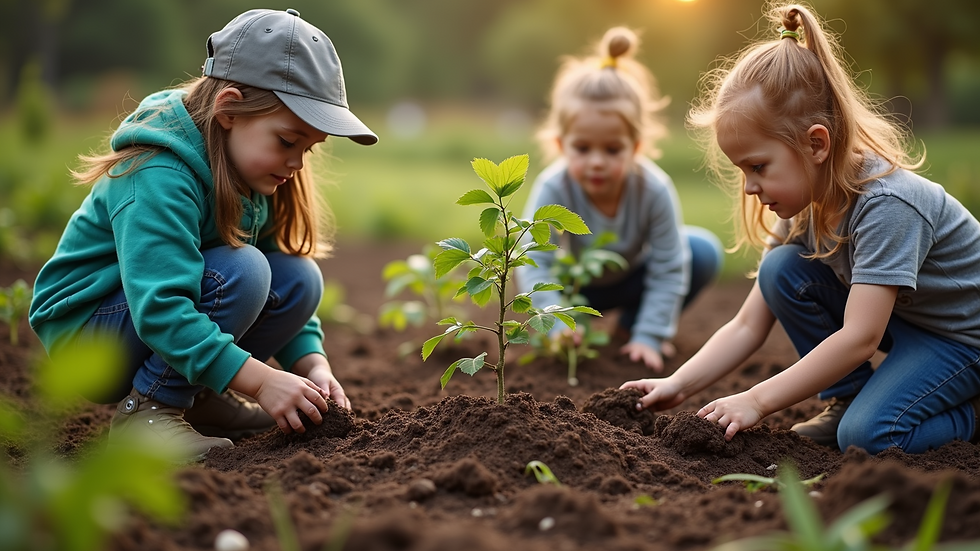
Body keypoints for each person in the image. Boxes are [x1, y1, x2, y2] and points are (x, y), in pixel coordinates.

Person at [622, 4, 980, 454]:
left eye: (758, 166)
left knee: (868, 436)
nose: (750, 187)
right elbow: (747, 324)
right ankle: (847, 398)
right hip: (908, 320)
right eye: (742, 171)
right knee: (780, 269)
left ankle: (970, 414)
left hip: (963, 340)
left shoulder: (888, 205)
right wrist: (679, 384)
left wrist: (756, 399)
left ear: (815, 143)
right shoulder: (803, 206)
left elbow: (860, 338)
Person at [29, 8, 378, 462]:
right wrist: (260, 380)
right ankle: (148, 413)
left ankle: (200, 398)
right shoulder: (157, 171)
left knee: (298, 278)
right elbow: (160, 307)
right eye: (288, 141)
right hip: (90, 336)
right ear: (229, 109)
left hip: (143, 320)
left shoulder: (253, 170)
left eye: (308, 148)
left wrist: (313, 364)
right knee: (244, 270)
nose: (297, 163)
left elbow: (283, 279)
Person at [516, 27, 724, 373]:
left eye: (612, 149)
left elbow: (669, 267)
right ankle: (575, 332)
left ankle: (632, 328)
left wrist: (651, 335)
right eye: (582, 148)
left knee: (701, 250)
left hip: (631, 281)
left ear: (636, 147)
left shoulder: (653, 189)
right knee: (538, 278)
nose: (597, 161)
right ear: (560, 144)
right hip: (576, 288)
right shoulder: (554, 187)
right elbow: (535, 259)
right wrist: (555, 321)